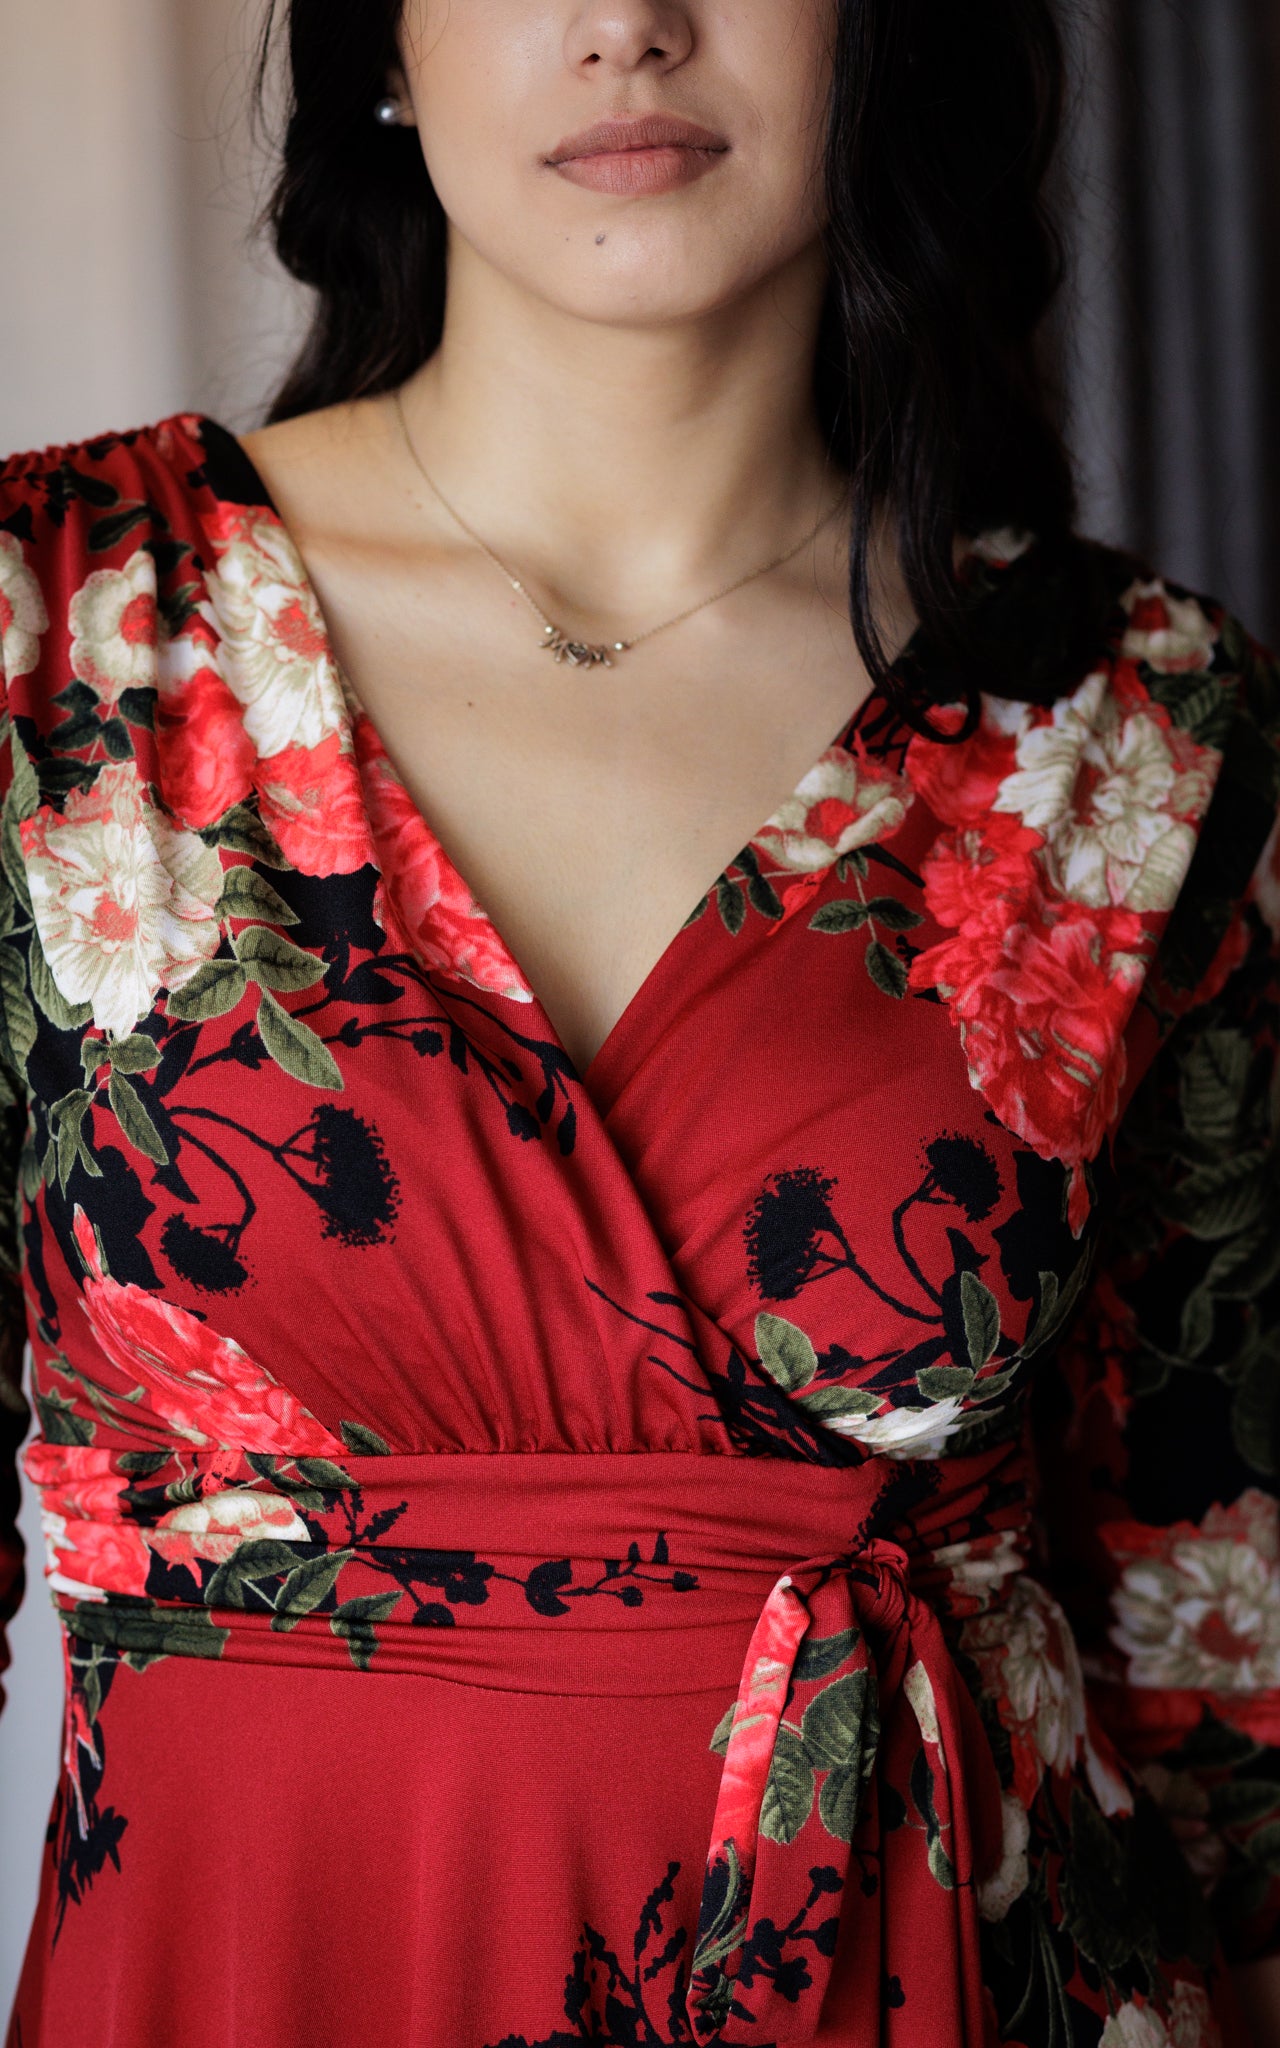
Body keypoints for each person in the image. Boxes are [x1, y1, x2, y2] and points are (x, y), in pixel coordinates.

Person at [2, 2, 1279, 2043]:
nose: (628, 24)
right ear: (386, 50)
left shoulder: (1132, 727)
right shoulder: (54, 629)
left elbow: (1220, 1622)